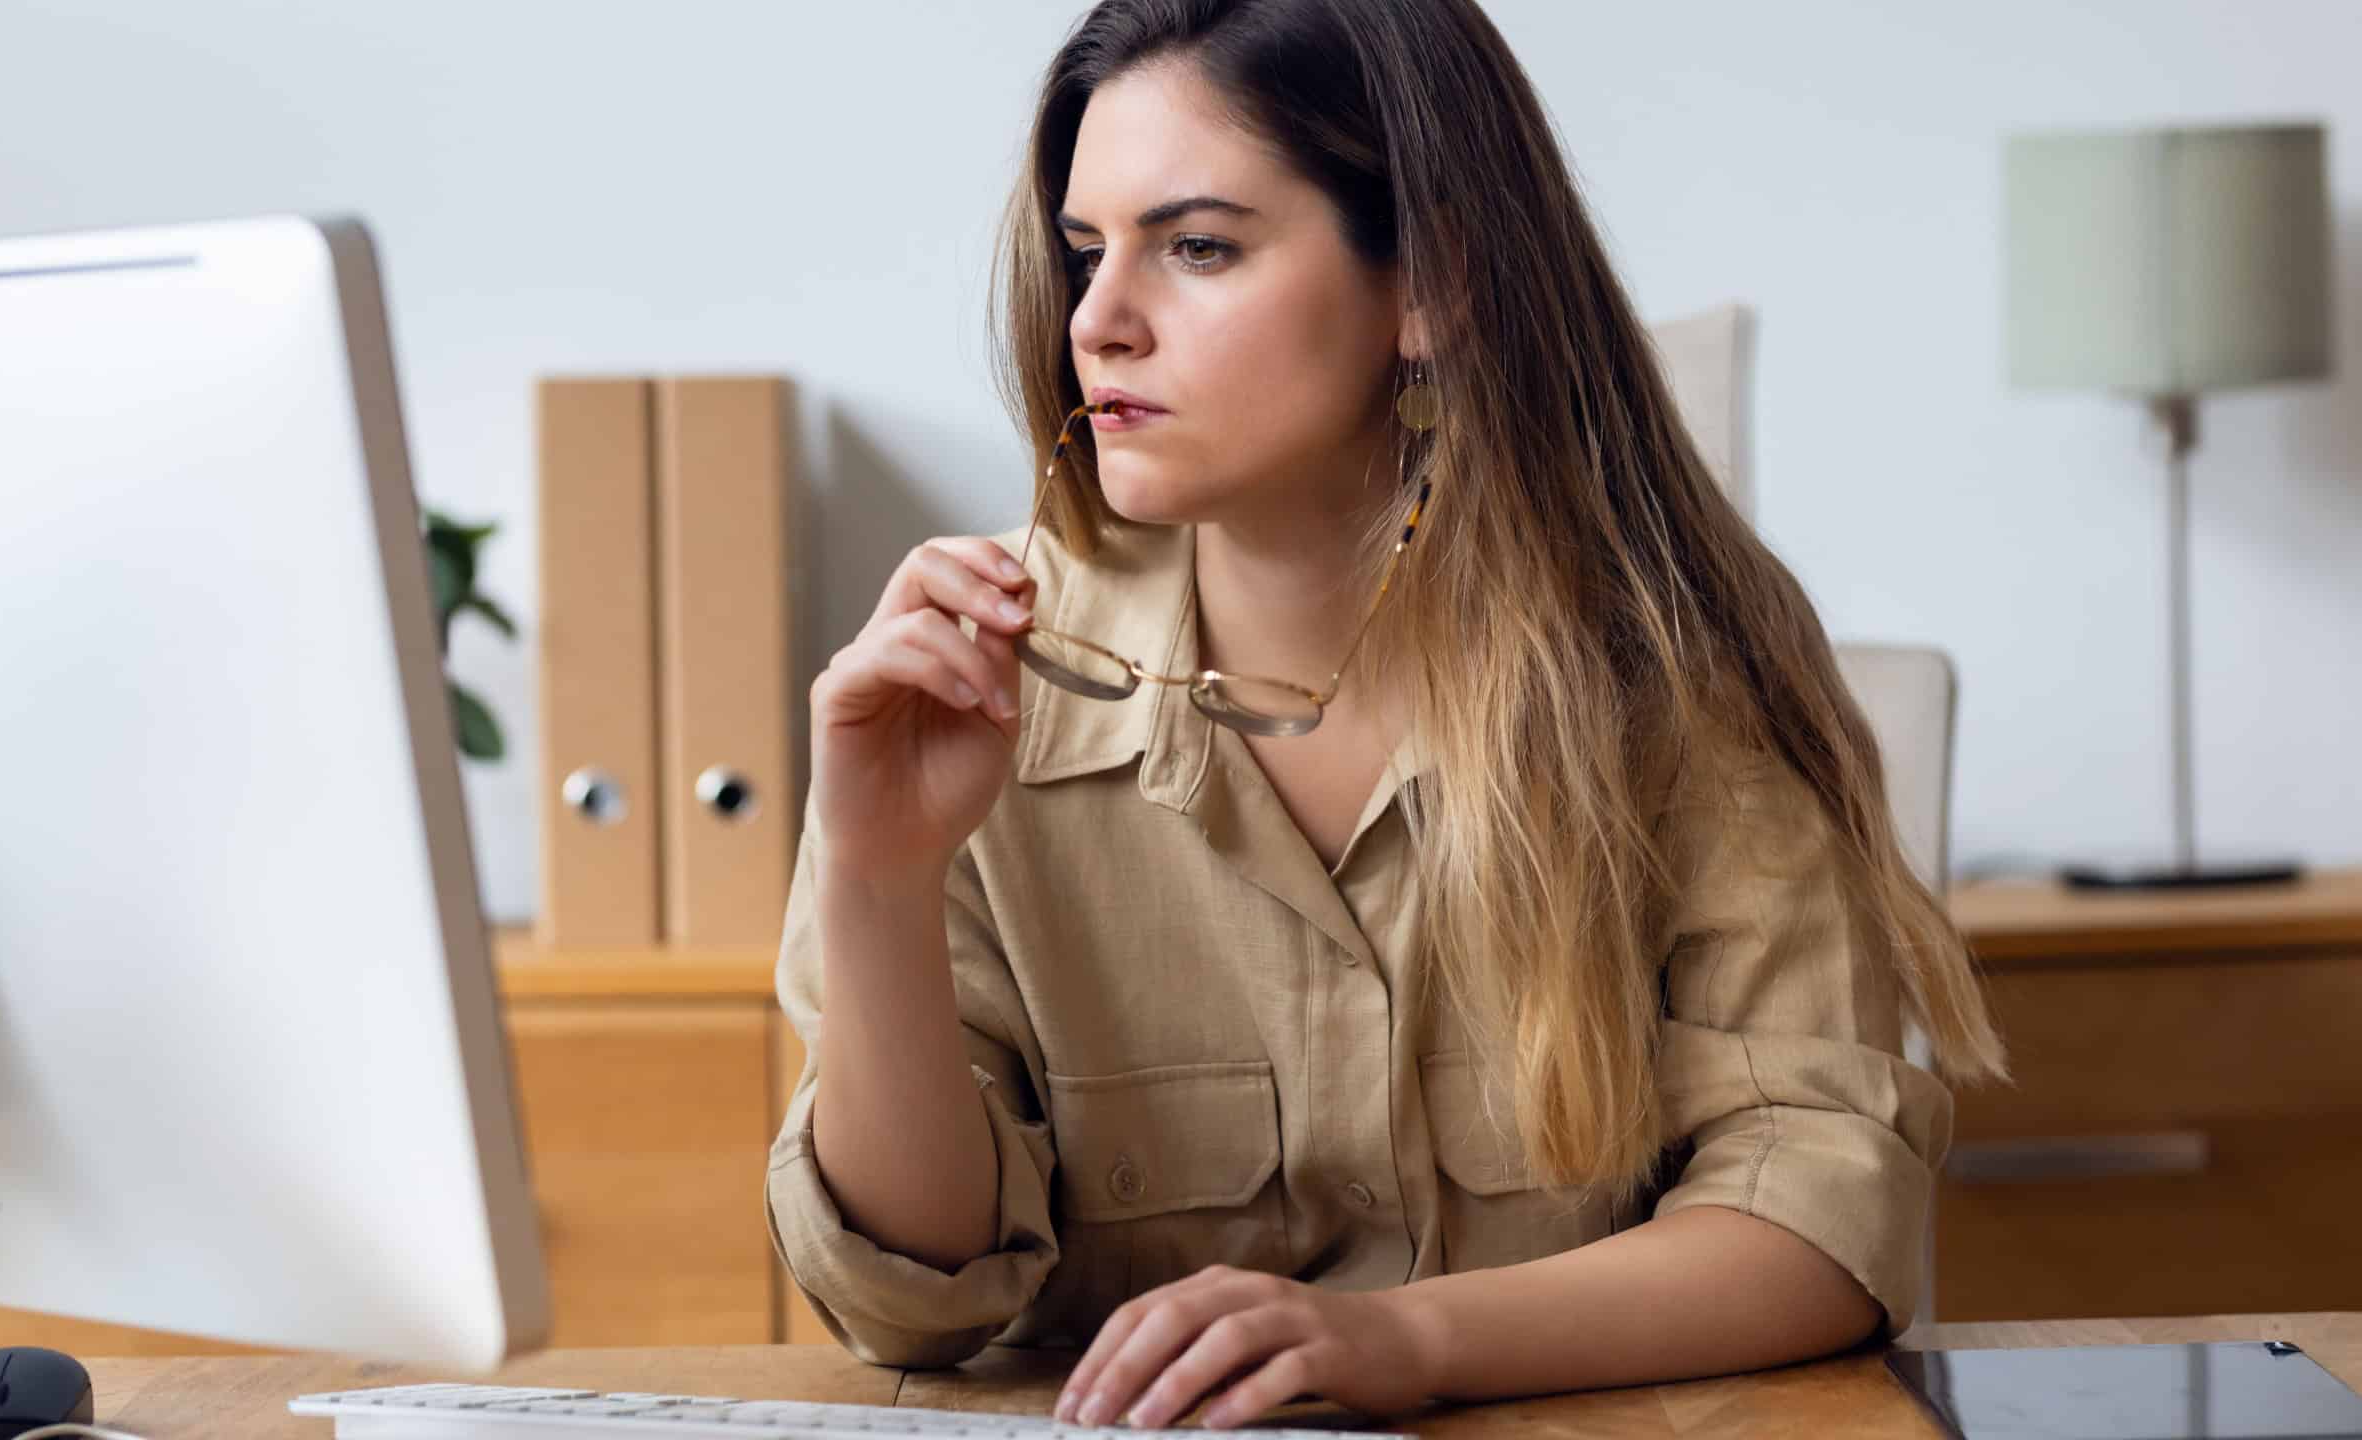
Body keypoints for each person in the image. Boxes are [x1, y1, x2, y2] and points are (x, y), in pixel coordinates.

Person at [764, 0, 2008, 1428]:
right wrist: (877, 873)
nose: (1099, 321)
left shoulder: (1672, 676)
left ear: (1434, 282)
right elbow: (911, 1292)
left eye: (1199, 247)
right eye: (1085, 248)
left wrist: (1395, 1346)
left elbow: (1820, 1213)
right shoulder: (974, 689)